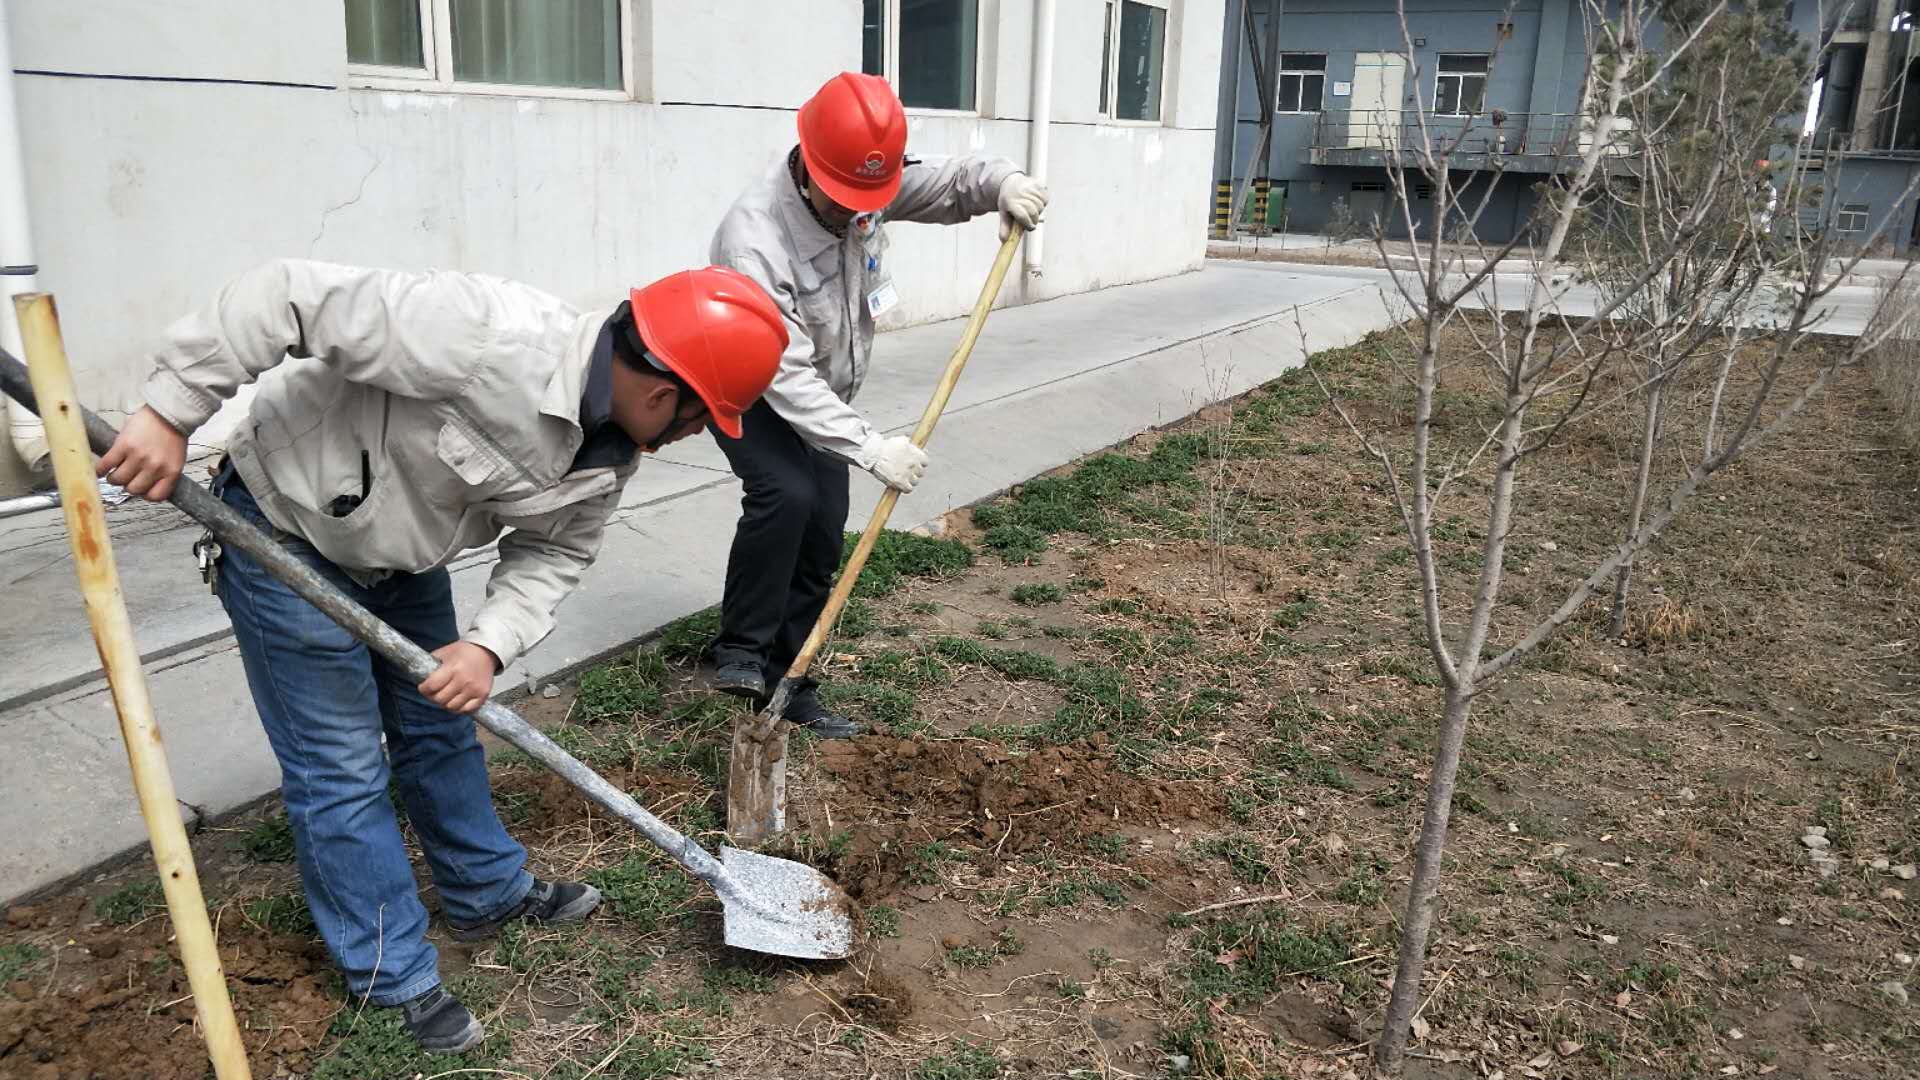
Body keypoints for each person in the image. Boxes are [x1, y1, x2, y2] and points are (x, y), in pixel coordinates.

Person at [95, 259, 787, 1053]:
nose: (693, 437)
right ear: (665, 394)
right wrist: (170, 412)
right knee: (341, 767)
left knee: (442, 726)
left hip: (402, 558)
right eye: (702, 420)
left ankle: (485, 891)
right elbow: (283, 295)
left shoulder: (610, 451)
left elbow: (555, 552)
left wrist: (488, 645)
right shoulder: (481, 333)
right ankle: (389, 972)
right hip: (284, 529)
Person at [704, 72, 1050, 736]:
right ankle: (742, 650)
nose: (853, 213)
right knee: (786, 494)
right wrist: (868, 446)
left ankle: (791, 678)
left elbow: (949, 180)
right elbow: (783, 371)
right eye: (843, 200)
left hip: (826, 390)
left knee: (824, 521)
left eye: (866, 200)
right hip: (746, 381)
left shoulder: (860, 188)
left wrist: (1003, 183)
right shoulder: (754, 239)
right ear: (810, 166)